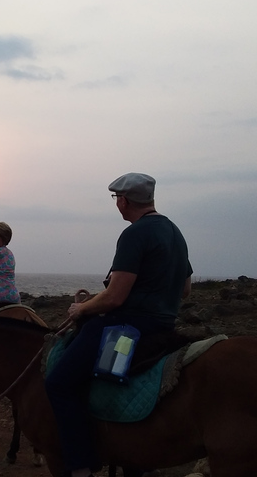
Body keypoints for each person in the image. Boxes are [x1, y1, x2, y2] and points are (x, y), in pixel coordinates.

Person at [45, 172, 193, 477]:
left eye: (116, 199)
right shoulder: (174, 232)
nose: (117, 204)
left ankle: (81, 467)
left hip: (127, 327)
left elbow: (114, 298)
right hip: (164, 327)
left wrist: (81, 308)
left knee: (58, 383)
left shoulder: (135, 234)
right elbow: (185, 289)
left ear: (123, 201)